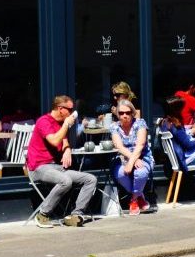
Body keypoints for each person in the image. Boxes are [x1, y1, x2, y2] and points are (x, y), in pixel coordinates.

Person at [26, 95, 97, 228]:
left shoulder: (59, 124)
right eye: (70, 109)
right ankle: (43, 214)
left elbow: (64, 141)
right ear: (60, 109)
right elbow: (54, 140)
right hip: (39, 167)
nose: (72, 113)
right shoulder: (44, 121)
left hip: (55, 167)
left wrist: (67, 149)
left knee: (90, 179)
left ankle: (76, 214)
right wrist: (66, 124)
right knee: (65, 181)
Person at [109, 100, 153, 214]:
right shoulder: (114, 127)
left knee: (141, 172)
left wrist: (131, 161)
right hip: (123, 157)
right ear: (118, 114)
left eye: (128, 113)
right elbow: (119, 146)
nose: (125, 115)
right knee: (120, 173)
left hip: (142, 156)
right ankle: (139, 196)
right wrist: (132, 160)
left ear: (132, 113)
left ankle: (133, 199)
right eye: (122, 113)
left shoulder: (140, 123)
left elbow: (140, 145)